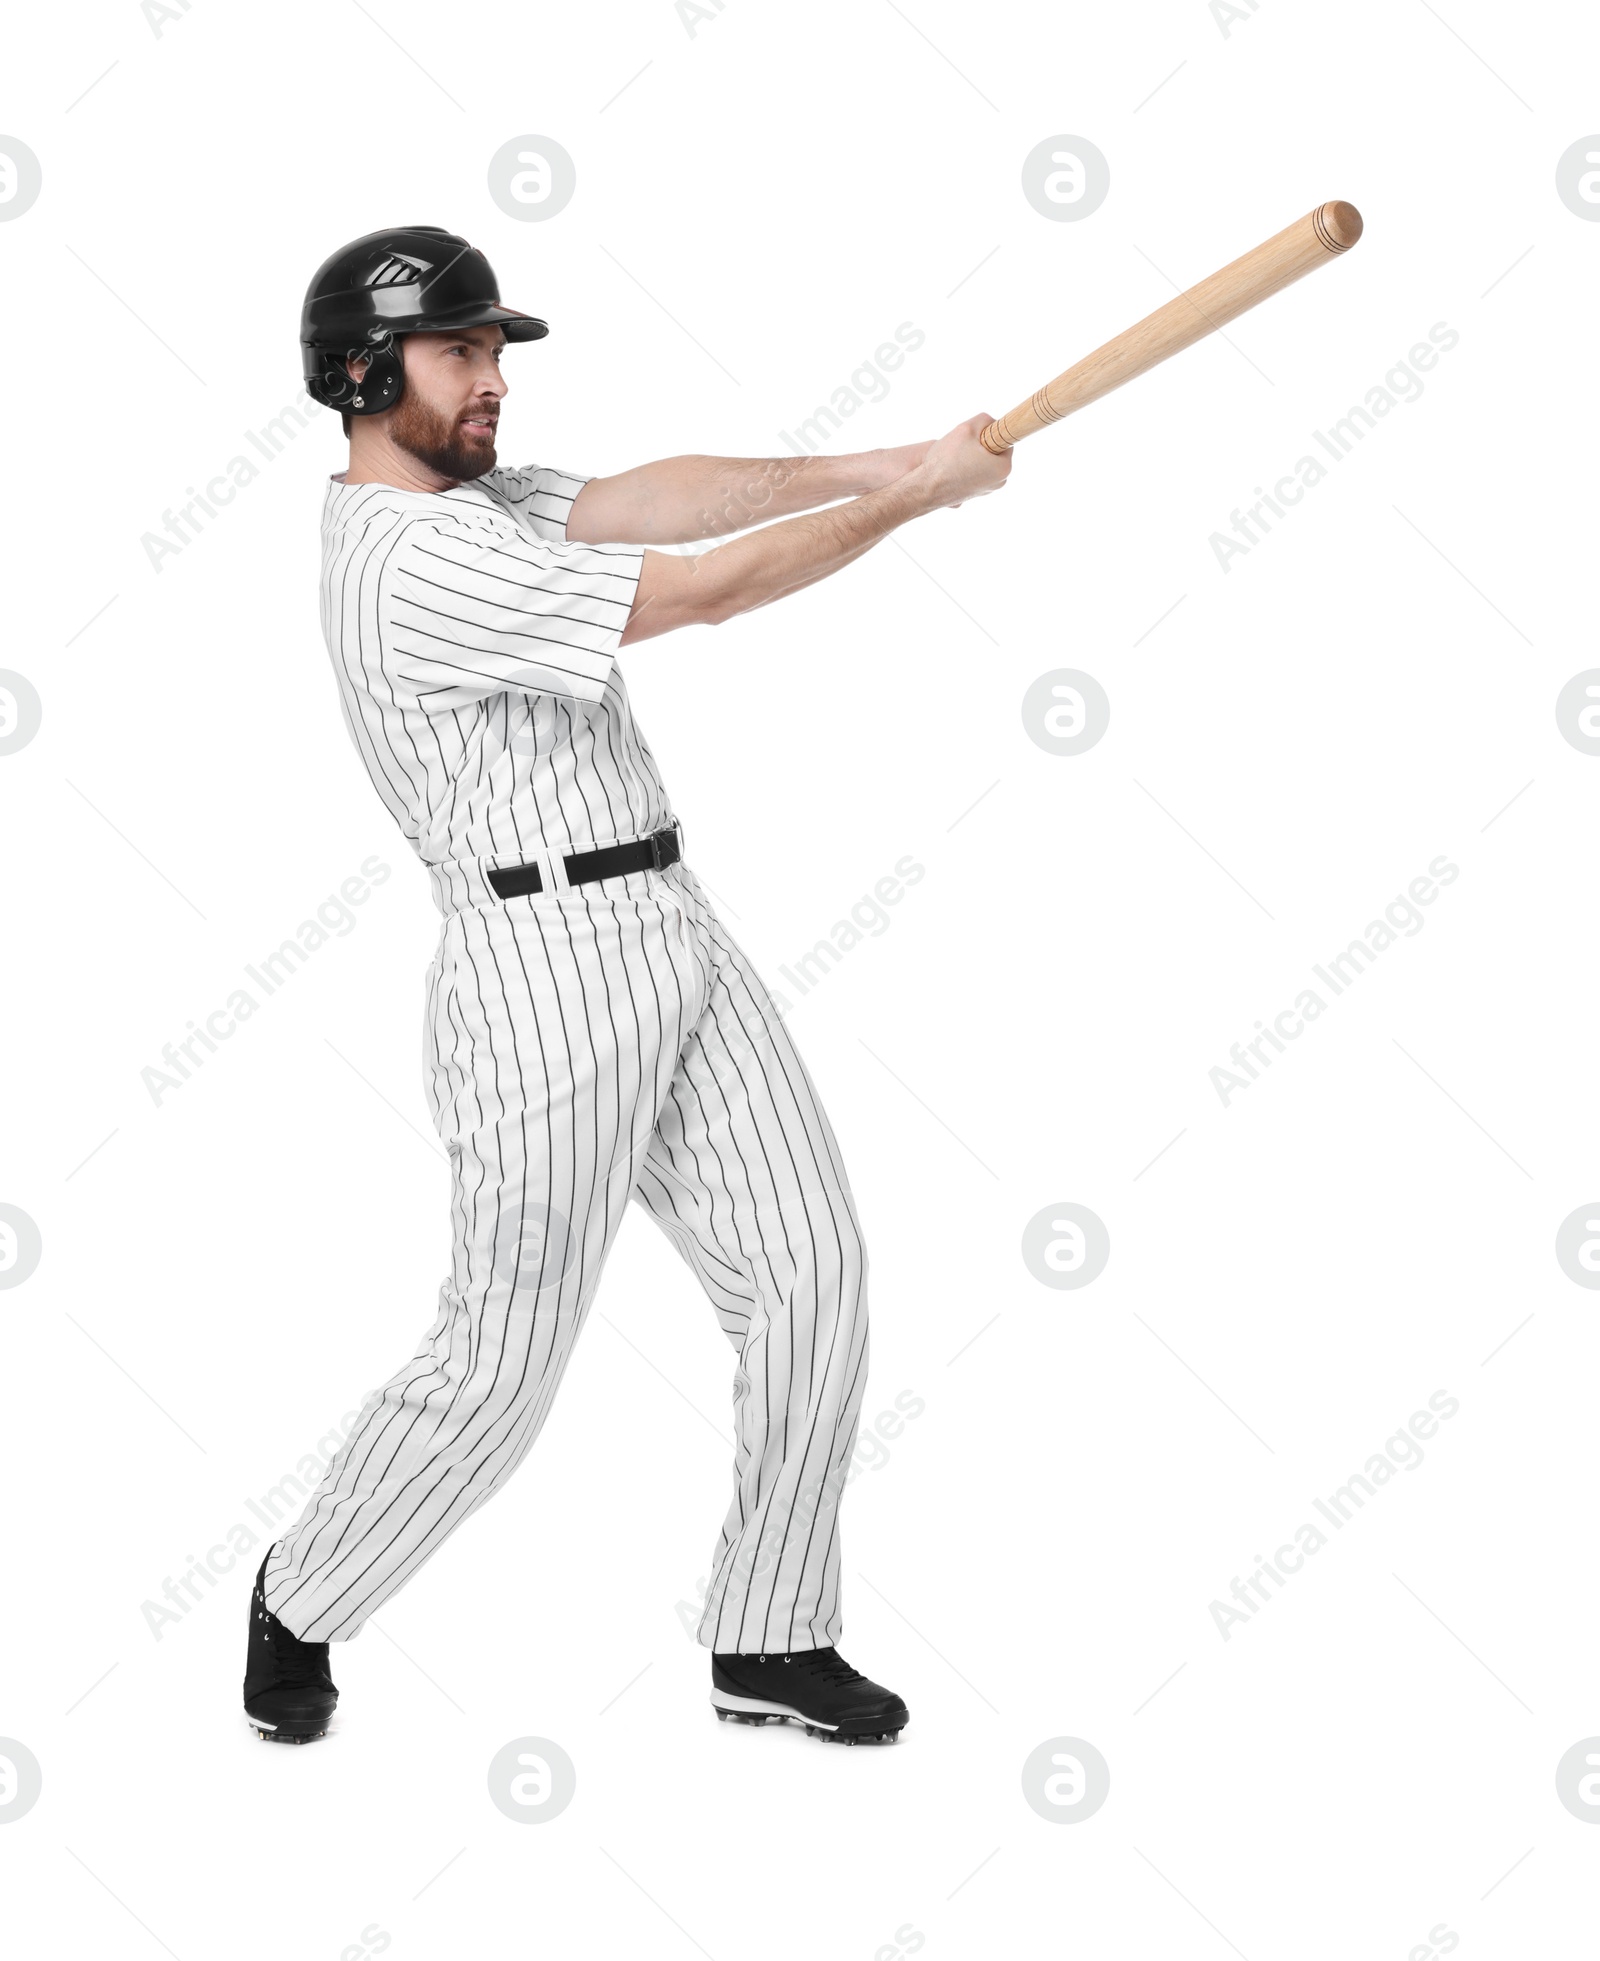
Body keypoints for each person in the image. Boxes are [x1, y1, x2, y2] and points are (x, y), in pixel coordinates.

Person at [241, 225, 1010, 1748]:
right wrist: (916, 506)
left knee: (812, 1279)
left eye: (496, 349)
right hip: (538, 976)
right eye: (460, 353)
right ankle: (302, 1589)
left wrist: (884, 456)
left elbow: (655, 496)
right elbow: (699, 590)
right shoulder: (412, 560)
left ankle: (772, 1633)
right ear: (358, 373)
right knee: (503, 1361)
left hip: (667, 916)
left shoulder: (482, 500)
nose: (494, 379)